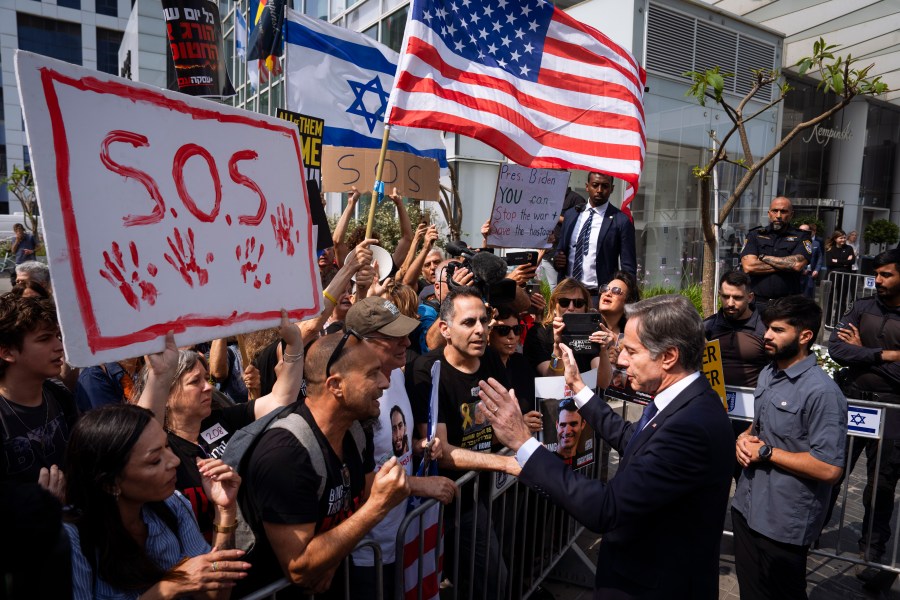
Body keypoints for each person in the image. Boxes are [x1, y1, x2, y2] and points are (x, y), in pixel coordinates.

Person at [480, 294, 735, 599]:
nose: (621, 360)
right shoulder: (686, 402)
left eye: (630, 350)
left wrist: (523, 442)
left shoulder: (690, 425)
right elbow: (633, 439)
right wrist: (578, 389)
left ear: (668, 356)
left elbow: (606, 508)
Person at [237, 331, 410, 599]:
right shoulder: (285, 456)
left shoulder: (354, 431)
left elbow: (358, 497)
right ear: (336, 386)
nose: (384, 383)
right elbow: (298, 568)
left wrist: (330, 558)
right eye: (372, 374)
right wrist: (379, 506)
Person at [134, 311, 305, 541]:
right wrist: (159, 375)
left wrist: (294, 344)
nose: (208, 387)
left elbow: (281, 399)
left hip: (252, 552)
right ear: (168, 393)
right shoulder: (161, 447)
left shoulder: (224, 419)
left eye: (207, 379)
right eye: (195, 381)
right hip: (200, 561)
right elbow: (138, 437)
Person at [63, 404, 249, 599]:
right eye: (154, 460)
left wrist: (224, 510)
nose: (174, 461)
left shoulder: (173, 505)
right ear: (110, 483)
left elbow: (215, 596)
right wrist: (169, 588)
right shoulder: (71, 540)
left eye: (167, 446)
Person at [406, 287, 522, 599]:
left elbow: (510, 424)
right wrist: (506, 461)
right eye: (469, 322)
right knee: (491, 582)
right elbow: (440, 452)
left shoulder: (491, 362)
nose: (481, 330)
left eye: (484, 321)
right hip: (455, 502)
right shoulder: (428, 370)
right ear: (445, 329)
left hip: (493, 491)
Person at [733, 295, 847, 600]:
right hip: (746, 507)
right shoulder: (769, 372)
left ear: (805, 336)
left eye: (778, 330)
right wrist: (744, 438)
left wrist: (767, 453)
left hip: (783, 521)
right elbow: (759, 426)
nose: (767, 335)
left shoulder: (822, 392)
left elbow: (830, 468)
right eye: (768, 327)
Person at [343, 297, 457, 600]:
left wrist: (417, 447)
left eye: (405, 333)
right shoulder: (355, 401)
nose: (406, 342)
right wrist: (422, 485)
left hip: (403, 533)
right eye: (393, 337)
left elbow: (391, 447)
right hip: (368, 550)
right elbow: (364, 485)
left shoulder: (396, 373)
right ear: (361, 344)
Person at [827, 249, 900, 583]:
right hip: (852, 401)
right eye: (877, 274)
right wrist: (882, 354)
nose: (878, 281)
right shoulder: (862, 307)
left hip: (892, 410)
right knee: (829, 471)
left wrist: (861, 354)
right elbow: (837, 349)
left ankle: (872, 554)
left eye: (886, 275)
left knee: (881, 485)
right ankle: (810, 534)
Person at [0, 295, 76, 503]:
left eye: (57, 336)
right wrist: (40, 507)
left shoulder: (59, 395)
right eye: (44, 339)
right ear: (7, 352)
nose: (59, 346)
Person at [553, 172, 637, 298]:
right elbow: (561, 250)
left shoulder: (621, 221)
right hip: (567, 294)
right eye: (595, 185)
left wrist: (624, 299)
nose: (599, 190)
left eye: (605, 186)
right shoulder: (571, 215)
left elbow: (628, 267)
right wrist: (558, 260)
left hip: (599, 296)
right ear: (587, 187)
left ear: (612, 189)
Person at [523, 277, 613, 381]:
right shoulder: (538, 332)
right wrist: (557, 345)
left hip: (584, 395)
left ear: (585, 308)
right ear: (554, 306)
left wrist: (603, 351)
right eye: (564, 302)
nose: (571, 308)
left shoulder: (591, 333)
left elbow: (602, 382)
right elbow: (552, 379)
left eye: (578, 303)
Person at [740, 197, 811, 312]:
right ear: (769, 214)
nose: (778, 215)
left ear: (791, 214)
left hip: (788, 305)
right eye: (775, 211)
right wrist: (786, 266)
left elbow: (797, 264)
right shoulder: (755, 235)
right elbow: (749, 266)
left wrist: (763, 257)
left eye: (783, 211)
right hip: (758, 303)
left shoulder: (802, 237)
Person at [703, 270, 768, 389]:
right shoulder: (707, 327)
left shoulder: (766, 329)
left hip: (754, 399)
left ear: (750, 297)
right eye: (725, 297)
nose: (730, 303)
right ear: (719, 294)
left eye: (737, 298)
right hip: (714, 399)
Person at [555, 397, 585, 465]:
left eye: (573, 424)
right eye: (563, 425)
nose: (567, 431)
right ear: (557, 425)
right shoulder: (545, 461)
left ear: (583, 424)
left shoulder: (583, 460)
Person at [798, 224, 824, 299]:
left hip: (810, 274)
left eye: (805, 231)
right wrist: (802, 269)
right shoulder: (795, 243)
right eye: (801, 231)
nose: (803, 232)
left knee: (809, 295)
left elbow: (819, 257)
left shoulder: (816, 243)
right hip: (798, 274)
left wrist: (816, 270)